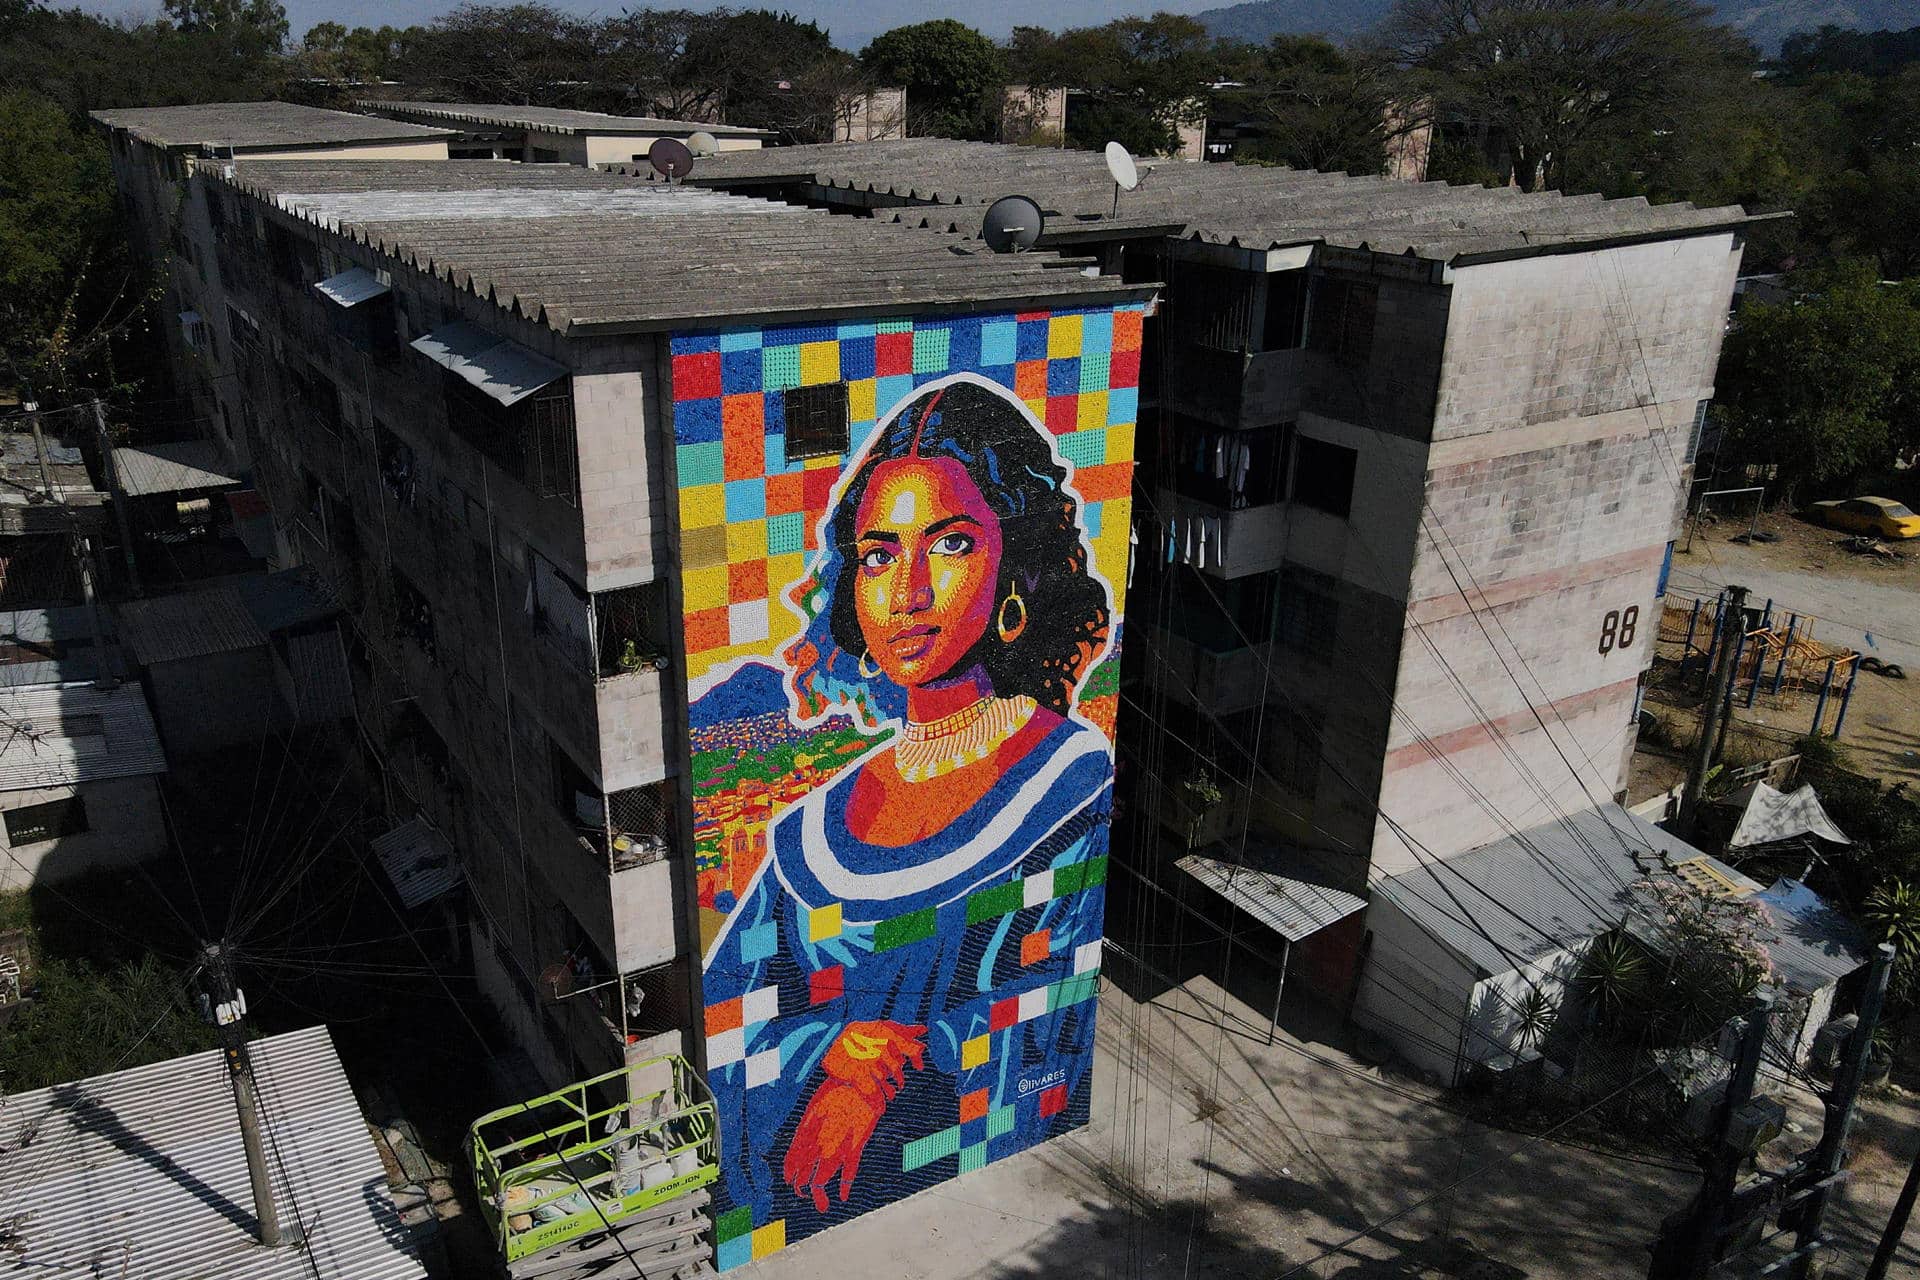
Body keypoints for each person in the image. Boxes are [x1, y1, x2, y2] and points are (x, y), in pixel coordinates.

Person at [701, 373, 1117, 1233]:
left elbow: (1055, 1028)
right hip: (797, 1224)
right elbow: (721, 1021)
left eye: (952, 544)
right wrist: (832, 1055)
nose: (908, 591)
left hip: (964, 1215)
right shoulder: (811, 834)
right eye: (880, 555)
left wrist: (907, 1057)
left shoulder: (1069, 787)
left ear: (1017, 564)